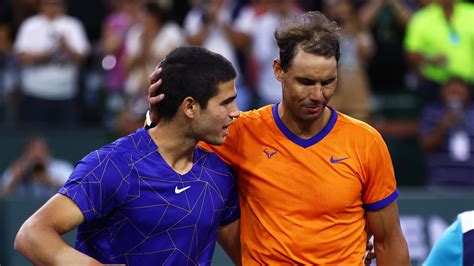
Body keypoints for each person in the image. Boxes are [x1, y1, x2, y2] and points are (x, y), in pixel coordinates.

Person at [148, 11, 410, 264]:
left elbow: (389, 240)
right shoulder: (240, 132)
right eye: (306, 82)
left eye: (328, 82)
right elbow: (163, 152)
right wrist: (157, 114)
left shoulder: (366, 141)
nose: (318, 95)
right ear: (278, 70)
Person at [14, 46, 241, 265]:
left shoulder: (219, 175)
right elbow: (32, 233)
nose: (236, 112)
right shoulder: (113, 164)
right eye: (226, 102)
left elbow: (245, 257)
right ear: (190, 107)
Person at [13, 0, 90, 127]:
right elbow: (22, 58)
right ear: (41, 5)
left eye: (57, 3)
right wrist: (48, 54)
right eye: (49, 4)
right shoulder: (30, 25)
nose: (53, 7)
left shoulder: (72, 24)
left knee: (65, 139)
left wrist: (66, 48)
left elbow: (83, 57)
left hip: (65, 92)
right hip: (35, 92)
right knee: (35, 137)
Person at [419, 77, 474, 187]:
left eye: (459, 89)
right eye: (451, 90)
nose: (455, 93)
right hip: (441, 183)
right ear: (442, 91)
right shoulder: (432, 111)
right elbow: (426, 145)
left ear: (468, 92)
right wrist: (443, 125)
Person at [1, 136, 73, 197]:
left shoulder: (61, 167)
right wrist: (15, 179)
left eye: (40, 151)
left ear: (47, 152)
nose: (36, 155)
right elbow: (3, 195)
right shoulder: (17, 169)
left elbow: (74, 191)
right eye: (31, 151)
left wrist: (50, 181)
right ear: (25, 154)